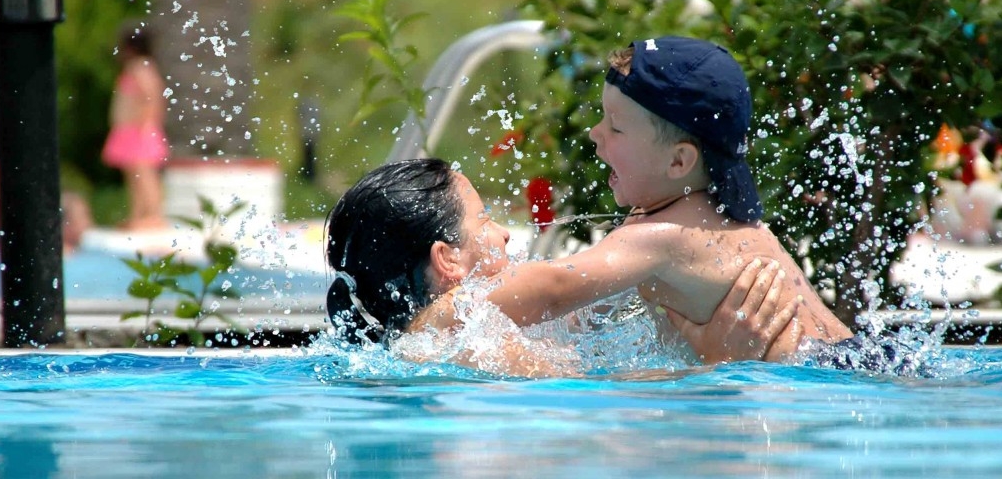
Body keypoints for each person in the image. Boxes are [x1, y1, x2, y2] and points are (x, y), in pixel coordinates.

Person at [414, 37, 853, 363]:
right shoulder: (702, 218)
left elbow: (554, 288)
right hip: (849, 361)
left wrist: (437, 320)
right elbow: (579, 321)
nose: (595, 134)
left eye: (616, 127)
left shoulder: (663, 236)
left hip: (825, 382)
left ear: (678, 161)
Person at [325, 158, 801, 376]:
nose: (504, 234)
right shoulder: (461, 327)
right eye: (484, 219)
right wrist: (719, 367)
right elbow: (594, 399)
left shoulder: (426, 343)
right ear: (447, 258)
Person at [102, 24, 169, 231]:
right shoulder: (137, 67)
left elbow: (151, 96)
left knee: (144, 174)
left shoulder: (140, 67)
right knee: (134, 175)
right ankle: (139, 214)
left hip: (139, 129)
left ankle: (154, 214)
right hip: (130, 129)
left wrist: (146, 122)